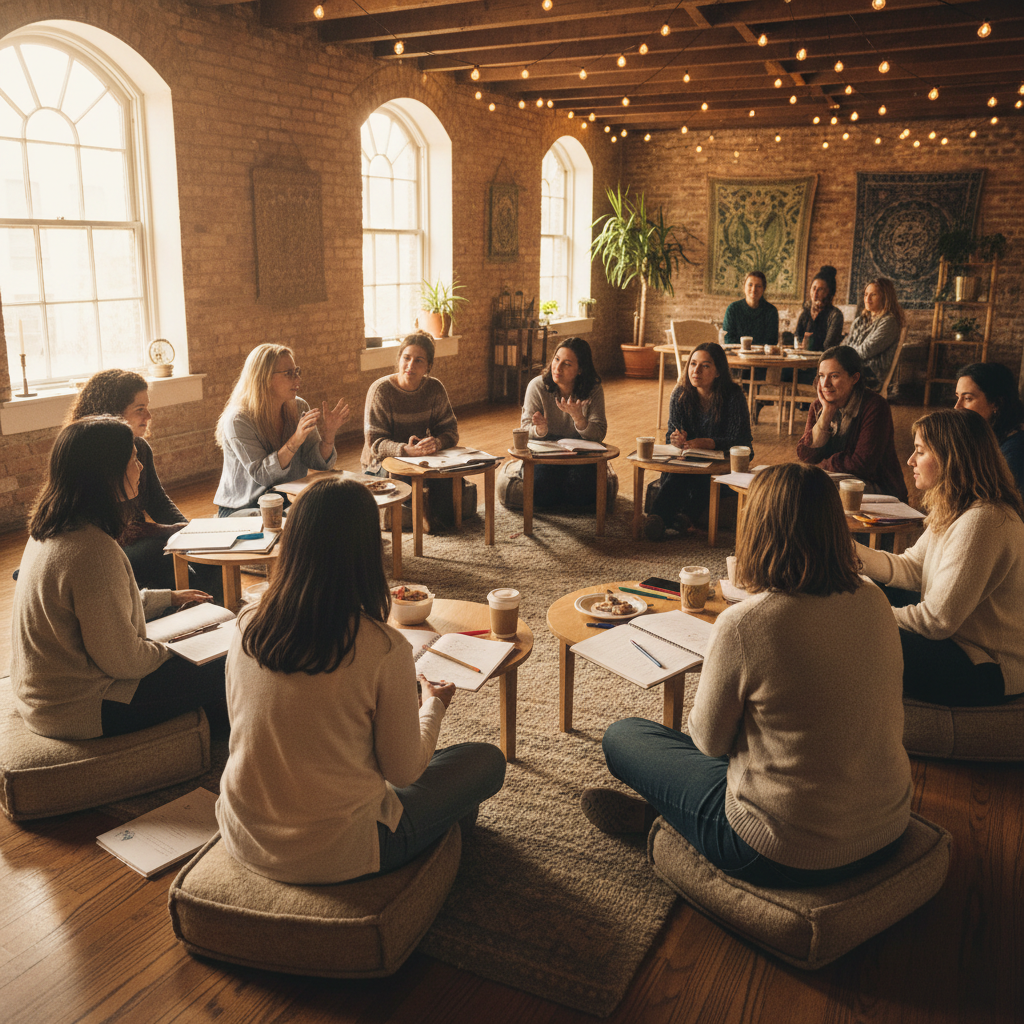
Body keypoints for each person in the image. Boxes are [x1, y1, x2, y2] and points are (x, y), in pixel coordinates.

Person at [581, 463, 911, 889]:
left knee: (624, 736)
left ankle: (668, 819)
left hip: (782, 851)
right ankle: (676, 815)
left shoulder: (747, 623)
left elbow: (708, 744)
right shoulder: (874, 599)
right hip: (889, 828)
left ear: (758, 527)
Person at [215, 477, 506, 884]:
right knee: (484, 761)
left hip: (244, 831)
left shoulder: (248, 623)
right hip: (337, 848)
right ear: (368, 552)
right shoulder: (382, 647)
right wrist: (433, 705)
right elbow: (403, 772)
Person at [10, 416, 226, 741]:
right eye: (133, 459)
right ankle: (226, 743)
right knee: (228, 660)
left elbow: (99, 612)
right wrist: (176, 647)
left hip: (49, 696)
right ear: (107, 475)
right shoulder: (91, 550)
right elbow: (125, 663)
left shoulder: (52, 529)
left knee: (201, 642)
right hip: (83, 705)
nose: (140, 467)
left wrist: (168, 598)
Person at [857, 409, 1024, 707]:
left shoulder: (983, 520)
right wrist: (850, 553)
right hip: (956, 644)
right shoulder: (956, 506)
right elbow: (912, 568)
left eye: (920, 452)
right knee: (861, 589)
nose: (910, 460)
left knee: (855, 630)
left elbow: (936, 621)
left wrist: (861, 613)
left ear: (952, 458)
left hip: (986, 665)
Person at [64, 370, 218, 597]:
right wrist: (166, 531)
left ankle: (222, 617)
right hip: (107, 553)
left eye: (147, 407)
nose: (149, 415)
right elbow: (117, 536)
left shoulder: (141, 448)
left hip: (146, 538)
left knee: (209, 555)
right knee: (161, 553)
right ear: (113, 412)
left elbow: (158, 501)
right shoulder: (87, 457)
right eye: (140, 409)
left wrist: (189, 531)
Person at [214, 344, 349, 516]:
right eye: (289, 374)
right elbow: (262, 475)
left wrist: (329, 435)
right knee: (308, 519)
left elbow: (316, 462)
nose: (298, 380)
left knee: (337, 508)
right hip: (244, 507)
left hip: (286, 498)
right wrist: (295, 440)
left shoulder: (299, 405)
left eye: (297, 372)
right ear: (264, 378)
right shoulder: (238, 419)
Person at [645, 342, 752, 540]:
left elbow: (741, 442)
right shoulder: (680, 394)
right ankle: (660, 519)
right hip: (689, 461)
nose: (696, 370)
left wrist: (708, 442)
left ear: (718, 371)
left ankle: (671, 517)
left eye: (705, 365)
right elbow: (672, 432)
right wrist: (676, 438)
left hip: (721, 466)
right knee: (679, 472)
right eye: (693, 364)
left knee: (700, 476)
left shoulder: (733, 396)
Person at [361, 332, 462, 529]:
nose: (410, 366)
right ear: (399, 359)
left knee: (449, 476)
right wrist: (405, 450)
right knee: (404, 475)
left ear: (428, 366)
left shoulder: (434, 388)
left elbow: (450, 431)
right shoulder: (381, 390)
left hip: (419, 457)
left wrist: (437, 442)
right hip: (381, 463)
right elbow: (375, 444)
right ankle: (420, 512)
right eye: (406, 358)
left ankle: (431, 515)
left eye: (418, 361)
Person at [796, 345, 907, 500]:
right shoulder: (819, 405)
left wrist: (825, 464)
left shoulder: (875, 406)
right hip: (835, 480)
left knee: (811, 492)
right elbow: (806, 455)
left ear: (854, 378)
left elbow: (861, 465)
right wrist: (827, 412)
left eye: (834, 376)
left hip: (877, 488)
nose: (825, 384)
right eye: (821, 376)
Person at [517, 337, 609, 509]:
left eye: (567, 364)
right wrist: (540, 430)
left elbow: (599, 434)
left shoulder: (593, 390)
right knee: (540, 493)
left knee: (584, 493)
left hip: (581, 455)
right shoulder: (537, 386)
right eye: (557, 359)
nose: (557, 368)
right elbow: (524, 429)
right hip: (546, 454)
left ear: (580, 369)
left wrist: (579, 418)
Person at [954, 362, 1024, 494]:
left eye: (968, 398)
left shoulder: (1015, 450)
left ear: (996, 403)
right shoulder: (983, 437)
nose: (957, 407)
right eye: (958, 397)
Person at [846, 277, 905, 383]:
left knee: (829, 375)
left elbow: (866, 351)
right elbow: (846, 344)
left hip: (873, 374)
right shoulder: (860, 320)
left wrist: (842, 357)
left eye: (873, 295)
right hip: (854, 367)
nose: (867, 299)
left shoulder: (889, 322)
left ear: (885, 298)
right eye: (865, 294)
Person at [722, 271, 779, 348]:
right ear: (744, 287)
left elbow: (771, 341)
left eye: (758, 286)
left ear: (763, 289)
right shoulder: (733, 309)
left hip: (762, 356)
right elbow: (728, 339)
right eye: (750, 285)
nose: (753, 289)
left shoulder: (771, 311)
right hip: (736, 355)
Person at [793, 265, 844, 352]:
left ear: (829, 293)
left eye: (820, 290)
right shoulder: (806, 313)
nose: (815, 293)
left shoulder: (835, 315)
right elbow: (797, 337)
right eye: (814, 288)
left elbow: (828, 345)